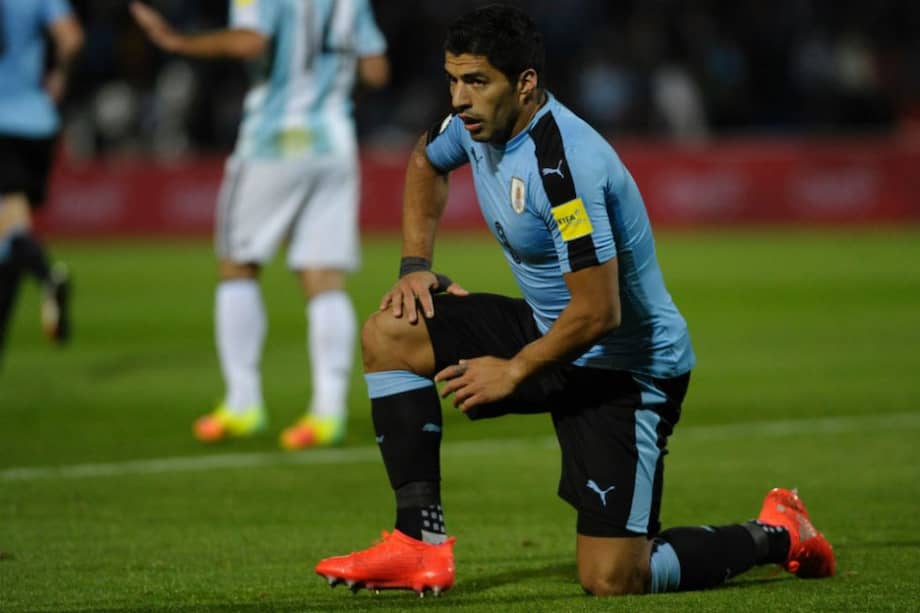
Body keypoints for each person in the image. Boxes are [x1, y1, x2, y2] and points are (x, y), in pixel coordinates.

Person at [314, 5, 835, 598]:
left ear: (525, 83)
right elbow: (423, 160)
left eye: (476, 81)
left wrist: (515, 369)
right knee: (391, 331)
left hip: (626, 369)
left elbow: (599, 311)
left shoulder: (563, 167)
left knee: (614, 577)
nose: (459, 99)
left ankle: (779, 534)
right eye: (453, 80)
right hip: (551, 332)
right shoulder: (472, 125)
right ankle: (418, 544)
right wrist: (415, 267)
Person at [131, 0, 390, 448]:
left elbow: (251, 41)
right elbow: (375, 70)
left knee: (238, 265)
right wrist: (331, 96)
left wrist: (179, 42)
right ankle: (328, 412)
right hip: (333, 142)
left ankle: (243, 402)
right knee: (324, 277)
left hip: (272, 142)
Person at [0, 0, 82, 363]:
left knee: (10, 232)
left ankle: (46, 273)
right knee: (8, 237)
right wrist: (59, 76)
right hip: (37, 121)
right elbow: (71, 37)